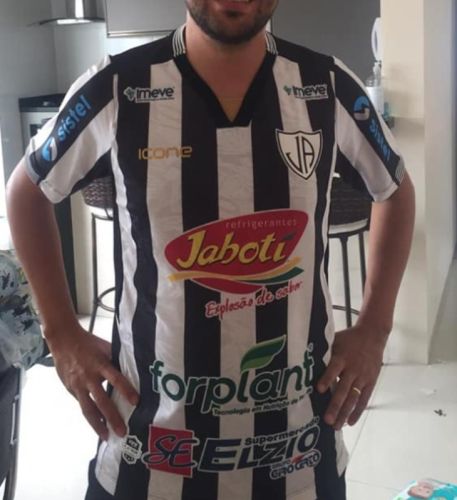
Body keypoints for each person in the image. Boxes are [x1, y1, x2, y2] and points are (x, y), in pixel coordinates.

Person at [6, 1, 415, 499]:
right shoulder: (118, 86)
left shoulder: (325, 85)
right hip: (147, 460)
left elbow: (395, 189)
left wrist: (375, 328)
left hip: (301, 459)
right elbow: (26, 190)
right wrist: (61, 333)